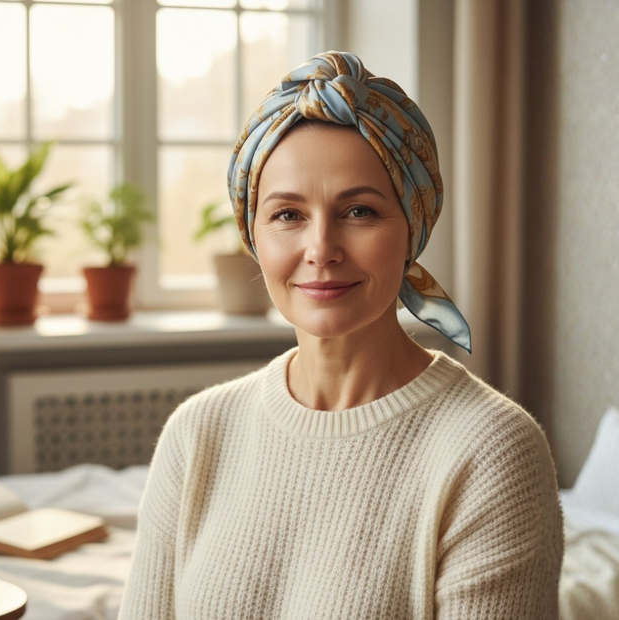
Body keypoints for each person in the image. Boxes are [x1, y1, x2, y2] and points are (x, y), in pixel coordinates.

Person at [118, 51, 563, 619]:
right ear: (253, 236)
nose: (321, 248)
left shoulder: (491, 452)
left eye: (358, 211)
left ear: (413, 228)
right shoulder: (197, 435)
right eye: (287, 215)